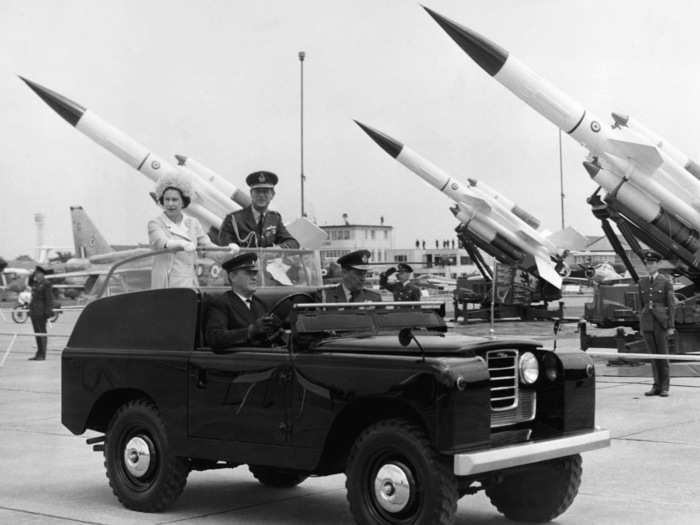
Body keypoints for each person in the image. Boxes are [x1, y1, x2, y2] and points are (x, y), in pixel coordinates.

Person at [148, 173, 238, 288]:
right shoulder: (155, 223)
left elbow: (209, 249)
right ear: (162, 201)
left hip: (189, 285)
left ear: (183, 202)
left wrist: (229, 251)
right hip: (165, 285)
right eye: (167, 200)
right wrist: (181, 244)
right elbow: (161, 242)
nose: (170, 204)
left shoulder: (193, 223)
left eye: (175, 200)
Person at [205, 252, 282, 349]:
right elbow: (215, 338)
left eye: (255, 273)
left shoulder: (260, 304)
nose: (254, 277)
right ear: (233, 277)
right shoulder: (221, 303)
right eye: (248, 273)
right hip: (238, 361)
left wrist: (277, 332)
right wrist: (250, 331)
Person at [218, 170, 299, 248]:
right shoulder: (233, 220)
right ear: (251, 194)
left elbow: (293, 243)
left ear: (272, 195)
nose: (261, 195)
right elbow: (225, 246)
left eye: (265, 191)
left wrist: (277, 249)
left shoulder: (274, 218)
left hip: (267, 262)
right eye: (257, 191)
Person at [638, 249, 675, 397]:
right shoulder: (642, 282)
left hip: (661, 323)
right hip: (647, 323)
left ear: (658, 264)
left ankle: (665, 387)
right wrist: (641, 324)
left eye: (652, 263)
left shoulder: (665, 282)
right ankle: (656, 386)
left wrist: (671, 326)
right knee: (653, 357)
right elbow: (641, 306)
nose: (649, 266)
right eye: (647, 263)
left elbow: (672, 305)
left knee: (663, 356)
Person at [28, 266, 54, 361]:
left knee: (42, 333)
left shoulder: (46, 284)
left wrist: (48, 312)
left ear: (43, 274)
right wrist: (32, 274)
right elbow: (29, 282)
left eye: (38, 273)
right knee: (37, 333)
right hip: (34, 311)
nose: (37, 275)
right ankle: (38, 353)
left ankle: (42, 354)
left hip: (41, 312)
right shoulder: (35, 284)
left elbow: (49, 299)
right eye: (36, 273)